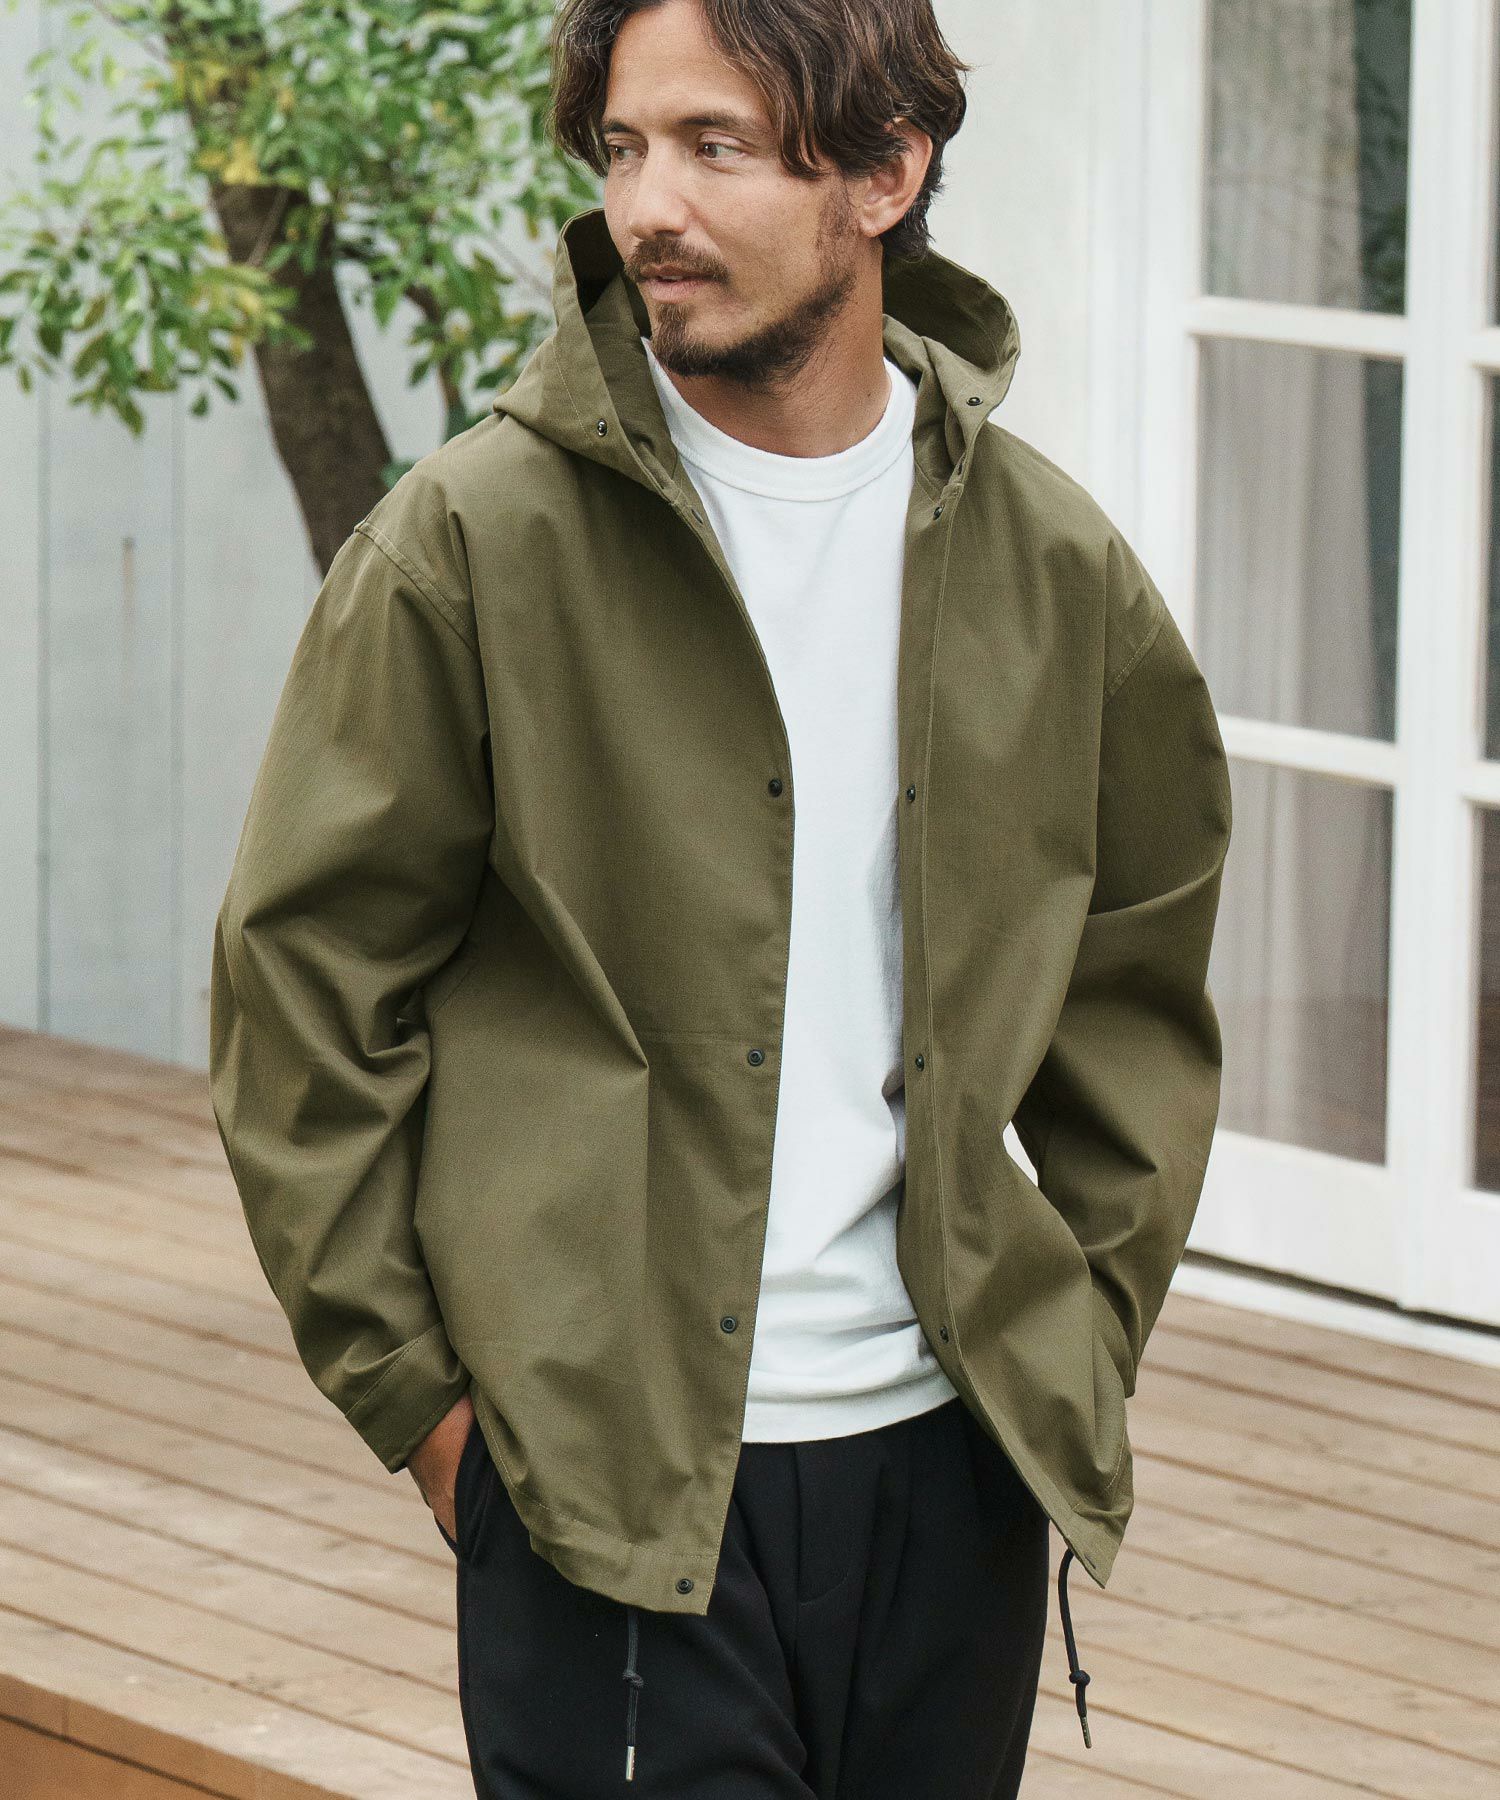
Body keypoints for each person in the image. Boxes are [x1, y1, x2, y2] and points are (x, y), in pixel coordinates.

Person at [208, 0, 1232, 1794]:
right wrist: (430, 1415)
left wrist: (1076, 1334)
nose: (647, 208)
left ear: (887, 173)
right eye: (623, 149)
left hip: (952, 1470)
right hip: (600, 1486)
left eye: (716, 146)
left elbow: (1137, 975)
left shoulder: (1053, 566)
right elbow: (304, 989)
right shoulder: (471, 545)